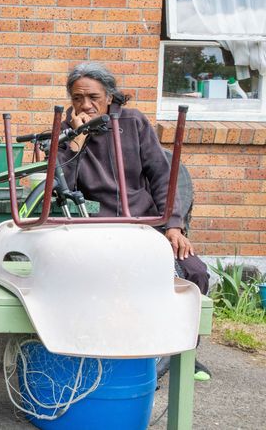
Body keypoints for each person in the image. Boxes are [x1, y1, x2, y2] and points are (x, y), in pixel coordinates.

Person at [57, 61, 211, 380]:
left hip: (144, 222)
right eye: (77, 97)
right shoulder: (66, 129)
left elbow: (161, 175)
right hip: (98, 226)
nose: (85, 104)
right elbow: (61, 186)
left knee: (193, 271)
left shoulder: (134, 122)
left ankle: (185, 353)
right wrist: (76, 141)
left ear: (110, 96)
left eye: (93, 96)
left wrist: (173, 225)